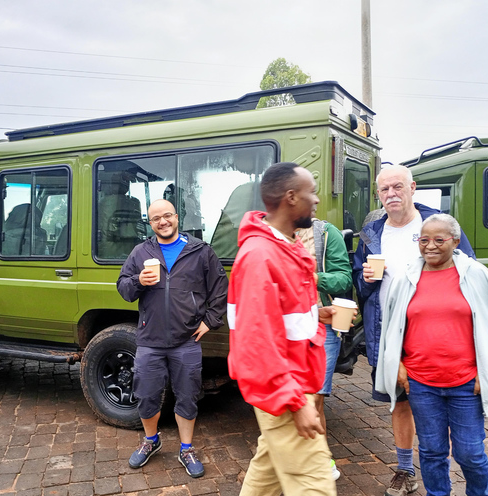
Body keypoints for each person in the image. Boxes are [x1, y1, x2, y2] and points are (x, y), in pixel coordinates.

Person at [375, 214, 488, 496]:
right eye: (424, 239)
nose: (430, 246)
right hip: (421, 382)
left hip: (466, 382)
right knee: (431, 452)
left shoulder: (475, 274)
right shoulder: (407, 277)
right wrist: (398, 365)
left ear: (455, 242)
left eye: (439, 240)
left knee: (470, 453)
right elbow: (394, 327)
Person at [229, 162, 350, 496]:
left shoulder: (283, 245)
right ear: (291, 197)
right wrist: (295, 402)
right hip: (283, 388)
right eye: (312, 191)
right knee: (315, 484)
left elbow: (278, 317)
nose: (316, 200)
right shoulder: (260, 256)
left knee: (266, 475)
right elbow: (256, 340)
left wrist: (320, 314)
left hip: (291, 381)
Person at [352, 164, 475, 496]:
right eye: (384, 189)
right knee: (399, 400)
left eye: (397, 187)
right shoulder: (372, 234)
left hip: (435, 330)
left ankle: (456, 464)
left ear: (412, 187)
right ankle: (406, 470)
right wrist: (364, 281)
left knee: (444, 400)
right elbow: (361, 289)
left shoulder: (436, 225)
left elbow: (469, 275)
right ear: (378, 194)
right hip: (389, 331)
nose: (391, 194)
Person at [117, 199, 228, 478]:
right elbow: (123, 287)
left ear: (177, 217)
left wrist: (210, 321)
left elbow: (219, 287)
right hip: (149, 340)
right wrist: (138, 282)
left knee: (188, 397)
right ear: (150, 222)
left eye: (167, 216)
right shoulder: (141, 252)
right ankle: (151, 441)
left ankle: (186, 448)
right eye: (156, 218)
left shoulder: (200, 252)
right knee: (145, 396)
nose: (163, 221)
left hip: (186, 340)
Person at [296, 217, 352, 480]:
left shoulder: (327, 233)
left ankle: (320, 460)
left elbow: (343, 279)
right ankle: (299, 459)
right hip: (286, 327)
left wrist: (313, 276)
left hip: (322, 323)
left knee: (315, 398)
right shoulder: (271, 234)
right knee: (294, 399)